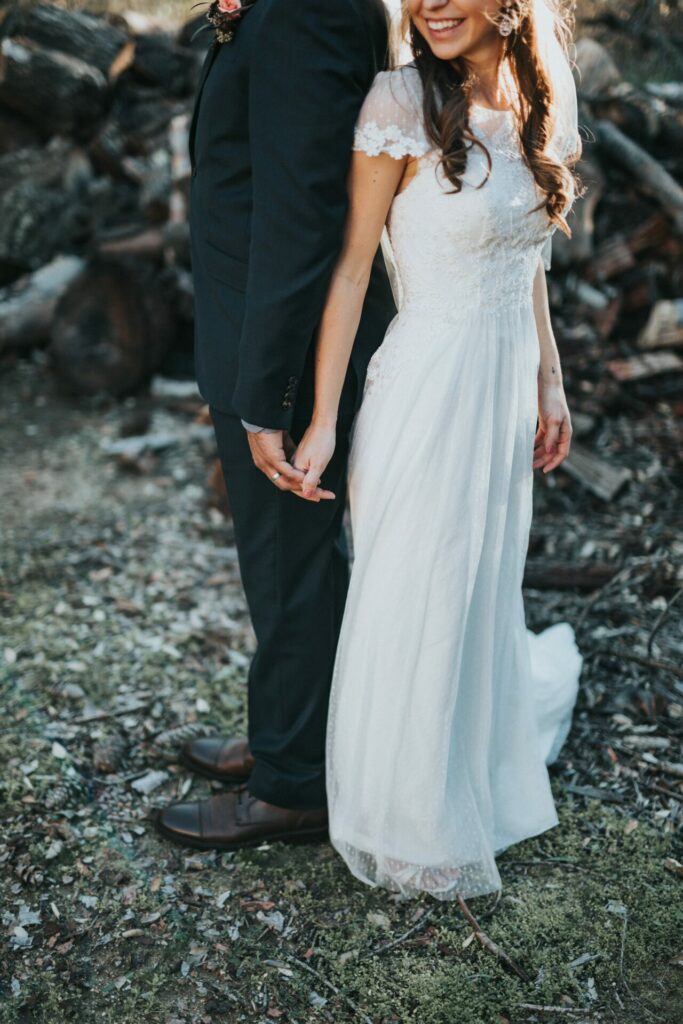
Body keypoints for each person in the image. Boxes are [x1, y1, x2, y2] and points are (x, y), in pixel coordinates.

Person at [288, 0, 585, 900]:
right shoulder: (397, 102)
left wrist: (549, 378)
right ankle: (409, 816)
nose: (431, 4)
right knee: (417, 590)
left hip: (499, 391)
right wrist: (324, 421)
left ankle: (470, 770)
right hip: (424, 386)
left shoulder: (534, 102)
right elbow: (349, 268)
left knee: (478, 583)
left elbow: (524, 258)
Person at [154, 0, 396, 851]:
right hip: (251, 330)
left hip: (284, 352)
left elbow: (303, 216)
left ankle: (293, 785)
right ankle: (289, 734)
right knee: (281, 565)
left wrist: (271, 393)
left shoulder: (309, 12)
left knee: (291, 565)